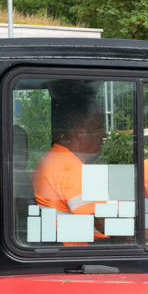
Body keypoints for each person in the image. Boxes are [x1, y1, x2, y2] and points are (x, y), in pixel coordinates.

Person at [32, 88, 104, 216]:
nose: (104, 134)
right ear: (80, 132)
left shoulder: (54, 159)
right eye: (98, 127)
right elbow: (103, 222)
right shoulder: (70, 168)